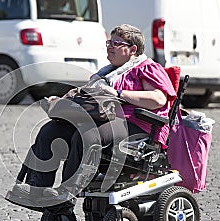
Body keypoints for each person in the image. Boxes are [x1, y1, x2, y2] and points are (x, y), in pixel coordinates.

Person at [9, 24, 176, 205]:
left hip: (134, 124)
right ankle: (37, 189)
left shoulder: (146, 68)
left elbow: (158, 99)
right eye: (109, 42)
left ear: (132, 49)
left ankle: (66, 194)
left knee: (87, 135)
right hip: (101, 118)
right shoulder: (106, 72)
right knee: (50, 131)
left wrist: (118, 93)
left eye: (116, 43)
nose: (110, 46)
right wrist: (65, 102)